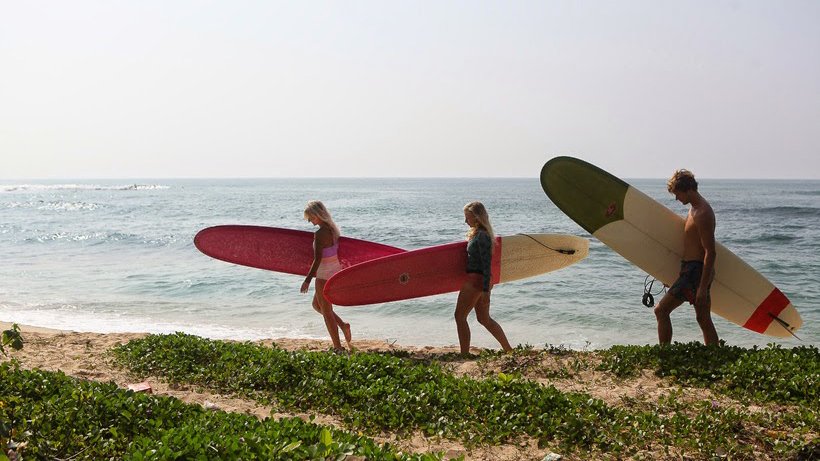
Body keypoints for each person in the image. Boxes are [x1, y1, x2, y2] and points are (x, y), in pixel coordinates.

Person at [653, 169, 720, 345]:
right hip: (689, 270)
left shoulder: (703, 213)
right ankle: (715, 357)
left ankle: (665, 353)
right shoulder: (694, 209)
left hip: (695, 273)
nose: (677, 199)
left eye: (677, 194)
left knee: (661, 311)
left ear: (688, 189)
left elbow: (710, 252)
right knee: (703, 319)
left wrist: (702, 288)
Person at [454, 201, 513, 356]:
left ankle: (464, 354)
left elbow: (487, 264)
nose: (465, 221)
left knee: (459, 317)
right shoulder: (479, 234)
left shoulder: (482, 236)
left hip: (476, 281)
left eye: (467, 217)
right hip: (480, 281)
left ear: (477, 217)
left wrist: (486, 291)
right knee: (484, 319)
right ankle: (509, 350)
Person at [300, 200, 352, 352]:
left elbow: (317, 260)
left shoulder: (319, 234)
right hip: (334, 270)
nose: (310, 221)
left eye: (311, 218)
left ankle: (337, 347)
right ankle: (343, 325)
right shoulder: (332, 229)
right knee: (317, 305)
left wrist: (307, 280)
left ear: (318, 215)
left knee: (326, 312)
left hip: (323, 275)